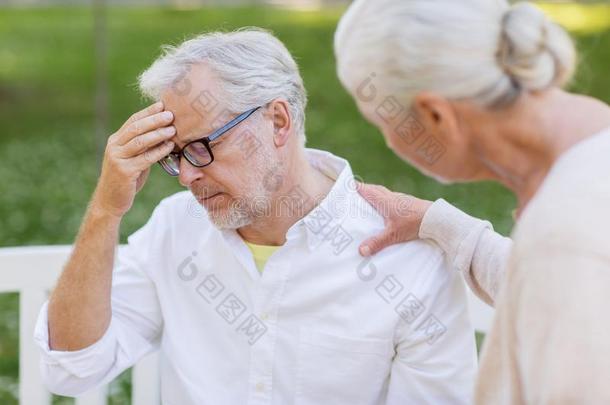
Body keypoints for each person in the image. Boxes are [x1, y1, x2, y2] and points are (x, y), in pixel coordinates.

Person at [34, 28, 478, 404]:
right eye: (172, 156)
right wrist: (106, 211)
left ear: (278, 121)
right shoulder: (174, 228)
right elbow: (72, 368)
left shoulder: (409, 259)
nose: (187, 176)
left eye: (202, 147)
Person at [335, 0, 610, 403]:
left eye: (384, 124)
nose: (388, 143)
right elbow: (545, 291)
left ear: (434, 116)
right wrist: (438, 223)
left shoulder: (565, 236)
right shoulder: (590, 157)